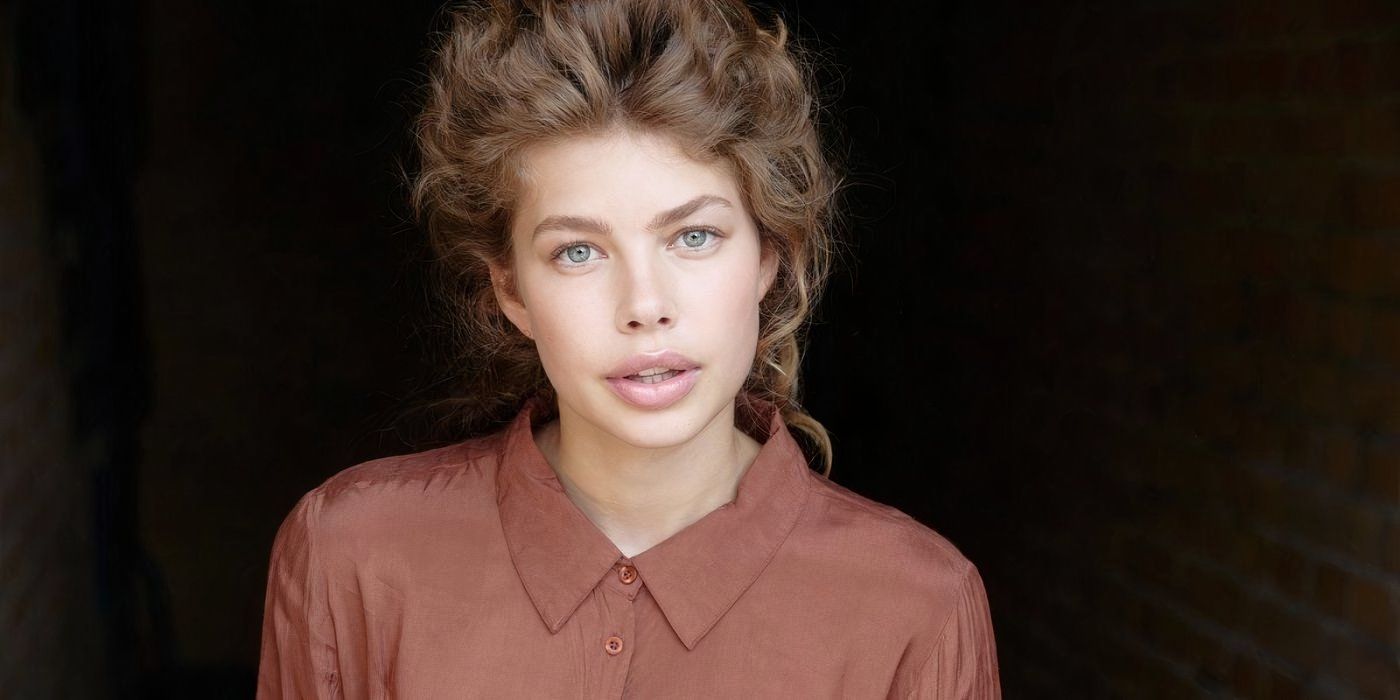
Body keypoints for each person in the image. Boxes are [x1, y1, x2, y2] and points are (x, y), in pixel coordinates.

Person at [256, 0, 1001, 697]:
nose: (645, 307)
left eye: (695, 237)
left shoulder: (917, 607)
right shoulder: (352, 558)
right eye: (578, 251)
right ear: (512, 290)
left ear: (769, 256)